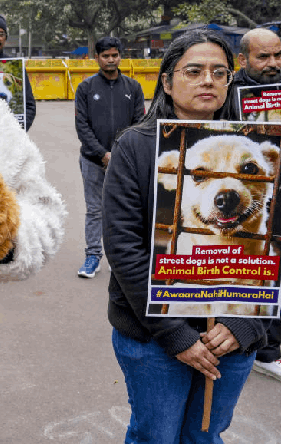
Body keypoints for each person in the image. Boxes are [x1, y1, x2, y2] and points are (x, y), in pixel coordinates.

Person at [103, 29, 266, 442]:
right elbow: (125, 248)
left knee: (205, 436)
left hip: (231, 333)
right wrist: (174, 333)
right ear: (167, 80)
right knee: (155, 436)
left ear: (230, 81)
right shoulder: (136, 147)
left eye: (219, 72)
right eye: (194, 71)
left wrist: (246, 326)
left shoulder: (259, 148)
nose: (207, 80)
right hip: (153, 338)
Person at [233, 28, 281, 390]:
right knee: (232, 276)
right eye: (262, 57)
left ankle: (267, 353)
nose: (273, 64)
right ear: (243, 59)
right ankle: (230, 344)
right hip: (238, 212)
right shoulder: (225, 92)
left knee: (278, 277)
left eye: (277, 55)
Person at [74, 36, 145, 278]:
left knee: (122, 211)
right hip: (92, 160)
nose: (111, 60)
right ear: (97, 58)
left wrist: (120, 154)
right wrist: (102, 154)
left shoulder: (133, 88)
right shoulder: (85, 88)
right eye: (106, 56)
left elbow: (138, 125)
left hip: (124, 163)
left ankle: (119, 259)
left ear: (120, 57)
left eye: (115, 55)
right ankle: (92, 257)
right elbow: (82, 126)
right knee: (94, 210)